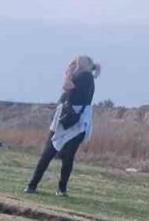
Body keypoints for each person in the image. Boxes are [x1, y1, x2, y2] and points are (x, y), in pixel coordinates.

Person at [24, 55, 100, 196]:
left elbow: (67, 86)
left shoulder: (85, 76)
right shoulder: (84, 77)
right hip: (73, 120)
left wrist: (68, 74)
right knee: (62, 155)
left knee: (54, 153)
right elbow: (68, 95)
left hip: (73, 121)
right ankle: (55, 188)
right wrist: (56, 104)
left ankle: (36, 186)